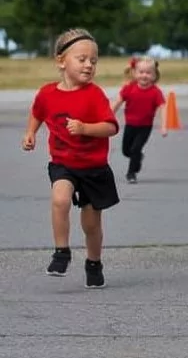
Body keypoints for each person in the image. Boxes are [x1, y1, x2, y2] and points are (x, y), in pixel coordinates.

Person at [21, 28, 120, 289]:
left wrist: (86, 128)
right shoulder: (47, 93)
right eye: (82, 59)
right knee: (60, 198)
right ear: (61, 61)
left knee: (91, 224)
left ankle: (94, 262)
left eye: (94, 61)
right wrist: (30, 132)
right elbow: (38, 113)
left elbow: (111, 127)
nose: (89, 65)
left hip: (94, 167)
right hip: (64, 163)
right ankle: (61, 252)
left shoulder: (95, 94)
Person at [111, 56, 167, 183]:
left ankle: (131, 174)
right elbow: (117, 102)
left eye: (148, 73)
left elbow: (163, 108)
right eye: (141, 72)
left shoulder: (155, 92)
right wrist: (109, 116)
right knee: (126, 151)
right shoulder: (129, 88)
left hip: (145, 127)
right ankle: (137, 158)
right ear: (135, 73)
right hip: (130, 125)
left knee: (136, 148)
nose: (144, 75)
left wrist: (163, 126)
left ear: (154, 75)